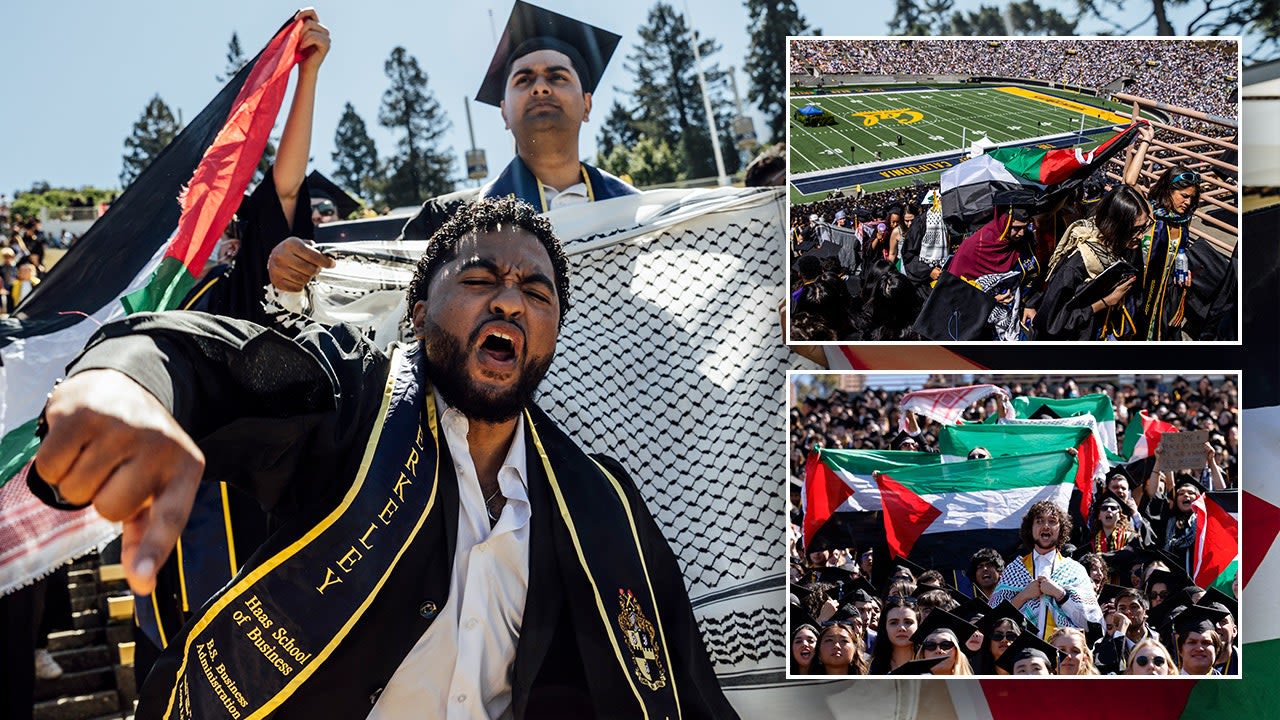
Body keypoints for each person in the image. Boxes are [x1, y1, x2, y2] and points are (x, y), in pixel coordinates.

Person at [30, 197, 736, 719]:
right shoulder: (357, 398)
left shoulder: (600, 503)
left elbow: (688, 691)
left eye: (536, 291)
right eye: (482, 278)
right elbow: (204, 355)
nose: (511, 302)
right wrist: (125, 384)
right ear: (419, 313)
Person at [1034, 185, 1148, 340]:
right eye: (1136, 229)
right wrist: (1105, 302)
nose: (1141, 236)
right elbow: (1050, 323)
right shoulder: (1077, 264)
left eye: (1144, 227)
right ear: (1115, 226)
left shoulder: (1122, 247)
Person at [989, 500, 1103, 638]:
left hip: (1063, 653)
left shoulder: (1075, 570)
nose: (1046, 526)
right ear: (1030, 528)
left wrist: (1060, 595)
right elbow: (994, 621)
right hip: (1022, 654)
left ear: (1061, 528)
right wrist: (1024, 595)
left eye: (1052, 521)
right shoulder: (1014, 569)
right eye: (1039, 521)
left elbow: (1090, 624)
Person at [867, 597, 920, 674]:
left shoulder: (930, 662)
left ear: (918, 625)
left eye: (908, 622)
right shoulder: (869, 668)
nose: (901, 628)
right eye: (893, 623)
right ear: (884, 628)